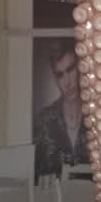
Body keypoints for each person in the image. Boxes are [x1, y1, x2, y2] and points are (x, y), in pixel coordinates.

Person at [33, 41, 90, 178]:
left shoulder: (97, 116)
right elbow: (38, 177)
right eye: (60, 75)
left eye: (70, 70)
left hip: (89, 198)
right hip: (55, 199)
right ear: (55, 79)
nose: (67, 82)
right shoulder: (44, 120)